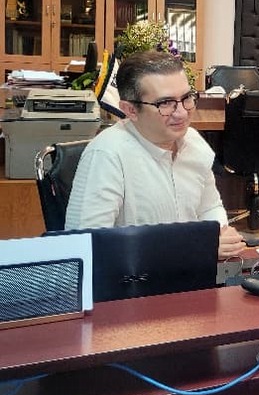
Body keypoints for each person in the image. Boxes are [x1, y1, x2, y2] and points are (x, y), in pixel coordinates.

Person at [65, 51, 245, 260]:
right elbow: (87, 246)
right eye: (165, 103)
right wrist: (196, 248)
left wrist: (221, 234)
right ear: (130, 110)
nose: (182, 113)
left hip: (196, 271)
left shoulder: (193, 141)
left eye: (187, 98)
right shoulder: (106, 155)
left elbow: (210, 207)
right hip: (136, 278)